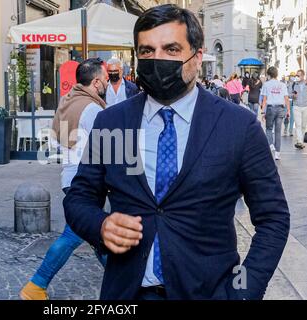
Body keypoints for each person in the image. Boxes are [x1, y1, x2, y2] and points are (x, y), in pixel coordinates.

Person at [64, 4, 289, 300]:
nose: (157, 60)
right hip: (127, 293)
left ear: (196, 57)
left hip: (209, 293)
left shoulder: (238, 126)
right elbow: (79, 198)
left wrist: (243, 291)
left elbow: (273, 218)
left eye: (171, 49)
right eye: (146, 51)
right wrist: (101, 224)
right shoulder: (113, 122)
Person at [19, 58, 109, 300]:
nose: (107, 85)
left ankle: (123, 282)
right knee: (75, 234)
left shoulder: (68, 102)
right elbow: (108, 147)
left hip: (70, 176)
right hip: (87, 181)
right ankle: (35, 286)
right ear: (97, 81)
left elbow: (58, 140)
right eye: (106, 80)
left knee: (93, 236)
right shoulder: (92, 109)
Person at [260, 66, 291, 160]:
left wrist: (262, 112)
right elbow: (286, 98)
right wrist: (288, 110)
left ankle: (271, 144)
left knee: (269, 128)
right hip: (281, 108)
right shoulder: (282, 85)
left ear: (268, 75)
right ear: (277, 74)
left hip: (271, 108)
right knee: (278, 131)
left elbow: (264, 99)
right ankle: (277, 154)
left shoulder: (266, 84)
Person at [291, 69, 307, 149]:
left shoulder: (306, 84)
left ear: (303, 76)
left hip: (305, 107)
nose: (297, 77)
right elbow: (289, 93)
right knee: (298, 124)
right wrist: (292, 95)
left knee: (303, 125)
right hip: (296, 106)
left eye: (298, 75)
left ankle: (301, 141)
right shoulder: (294, 84)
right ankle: (299, 142)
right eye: (296, 75)